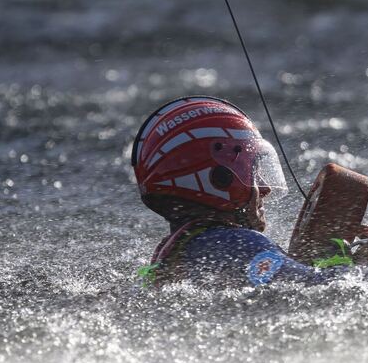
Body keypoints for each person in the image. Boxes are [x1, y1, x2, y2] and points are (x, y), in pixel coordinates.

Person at [131, 96, 333, 286]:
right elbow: (321, 288)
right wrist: (358, 260)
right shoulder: (236, 243)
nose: (265, 188)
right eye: (252, 171)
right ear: (218, 180)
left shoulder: (183, 248)